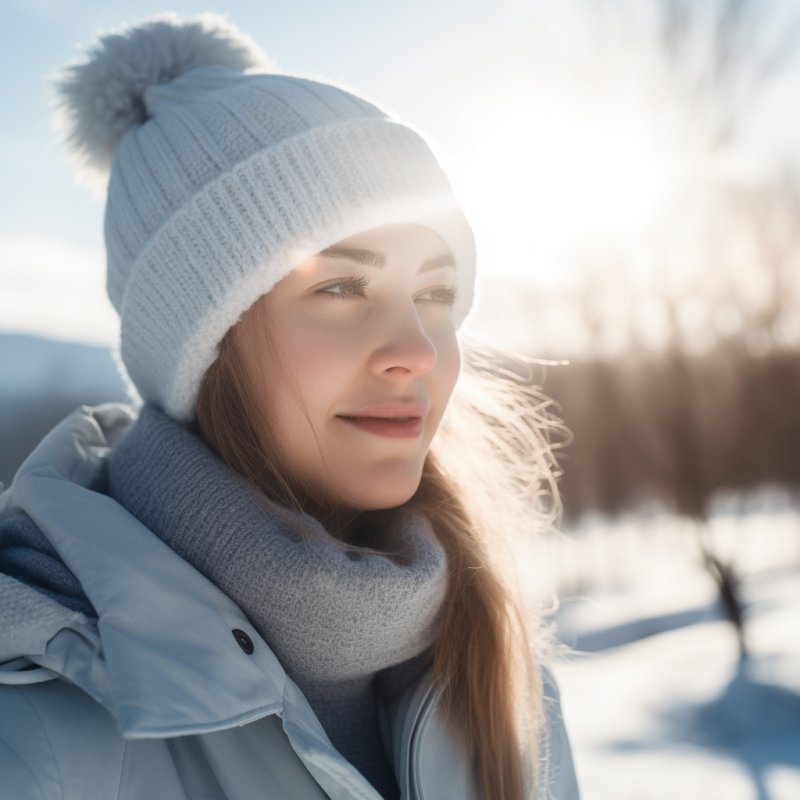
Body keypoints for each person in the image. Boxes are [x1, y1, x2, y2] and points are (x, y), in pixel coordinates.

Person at [0, 13, 580, 800]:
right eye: (341, 287)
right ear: (207, 346)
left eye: (435, 292)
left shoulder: (502, 682)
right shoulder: (37, 736)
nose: (418, 349)